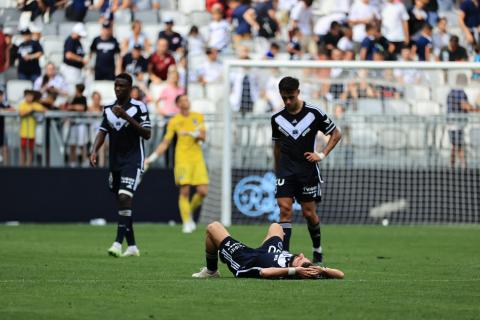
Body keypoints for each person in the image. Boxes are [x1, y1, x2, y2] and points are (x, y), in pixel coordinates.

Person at [271, 76, 342, 264]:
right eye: (284, 97)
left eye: (291, 97)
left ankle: (317, 249)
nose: (287, 101)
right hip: (285, 171)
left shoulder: (314, 113)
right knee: (284, 210)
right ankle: (283, 257)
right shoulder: (277, 118)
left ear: (298, 93)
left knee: (308, 213)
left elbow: (336, 133)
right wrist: (277, 170)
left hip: (306, 171)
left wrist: (322, 154)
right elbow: (277, 147)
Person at [90, 73, 151, 257]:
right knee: (123, 203)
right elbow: (102, 131)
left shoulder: (139, 107)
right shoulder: (108, 109)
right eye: (116, 85)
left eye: (122, 86)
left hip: (133, 159)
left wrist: (126, 117)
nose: (118, 89)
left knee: (125, 197)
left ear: (130, 88)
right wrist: (94, 150)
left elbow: (147, 133)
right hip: (115, 162)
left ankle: (117, 244)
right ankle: (132, 247)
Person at [192, 221, 345, 279]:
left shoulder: (292, 272)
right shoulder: (311, 269)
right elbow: (340, 274)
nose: (302, 258)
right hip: (268, 252)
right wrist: (321, 270)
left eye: (303, 264)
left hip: (246, 259)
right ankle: (222, 255)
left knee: (213, 228)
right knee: (276, 226)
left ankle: (212, 271)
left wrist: (295, 271)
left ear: (298, 269)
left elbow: (265, 272)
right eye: (306, 261)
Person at [145, 95, 208, 233]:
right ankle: (186, 222)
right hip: (182, 160)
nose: (187, 101)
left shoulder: (198, 116)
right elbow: (165, 142)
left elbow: (203, 137)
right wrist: (152, 158)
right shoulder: (174, 121)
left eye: (188, 99)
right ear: (178, 104)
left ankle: (188, 212)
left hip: (197, 159)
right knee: (184, 191)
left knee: (203, 192)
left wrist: (191, 134)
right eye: (184, 100)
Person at [447, 73, 478, 168]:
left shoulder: (452, 91)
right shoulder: (458, 92)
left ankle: (454, 166)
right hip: (456, 123)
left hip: (454, 122)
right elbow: (465, 105)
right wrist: (475, 108)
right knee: (458, 145)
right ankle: (463, 167)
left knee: (455, 145)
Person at [18, 89, 44, 166]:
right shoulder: (22, 105)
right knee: (23, 148)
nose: (29, 98)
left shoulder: (35, 105)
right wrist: (30, 111)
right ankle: (22, 164)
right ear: (25, 96)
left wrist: (34, 109)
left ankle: (29, 164)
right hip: (24, 131)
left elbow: (44, 110)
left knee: (31, 149)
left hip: (32, 132)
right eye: (27, 96)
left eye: (31, 96)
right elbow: (21, 113)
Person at [67, 83, 88, 167]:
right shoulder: (73, 98)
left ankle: (84, 160)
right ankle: (73, 161)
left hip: (81, 124)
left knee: (82, 143)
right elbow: (68, 107)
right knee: (72, 143)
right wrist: (73, 106)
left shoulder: (83, 98)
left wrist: (73, 107)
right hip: (73, 123)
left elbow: (82, 108)